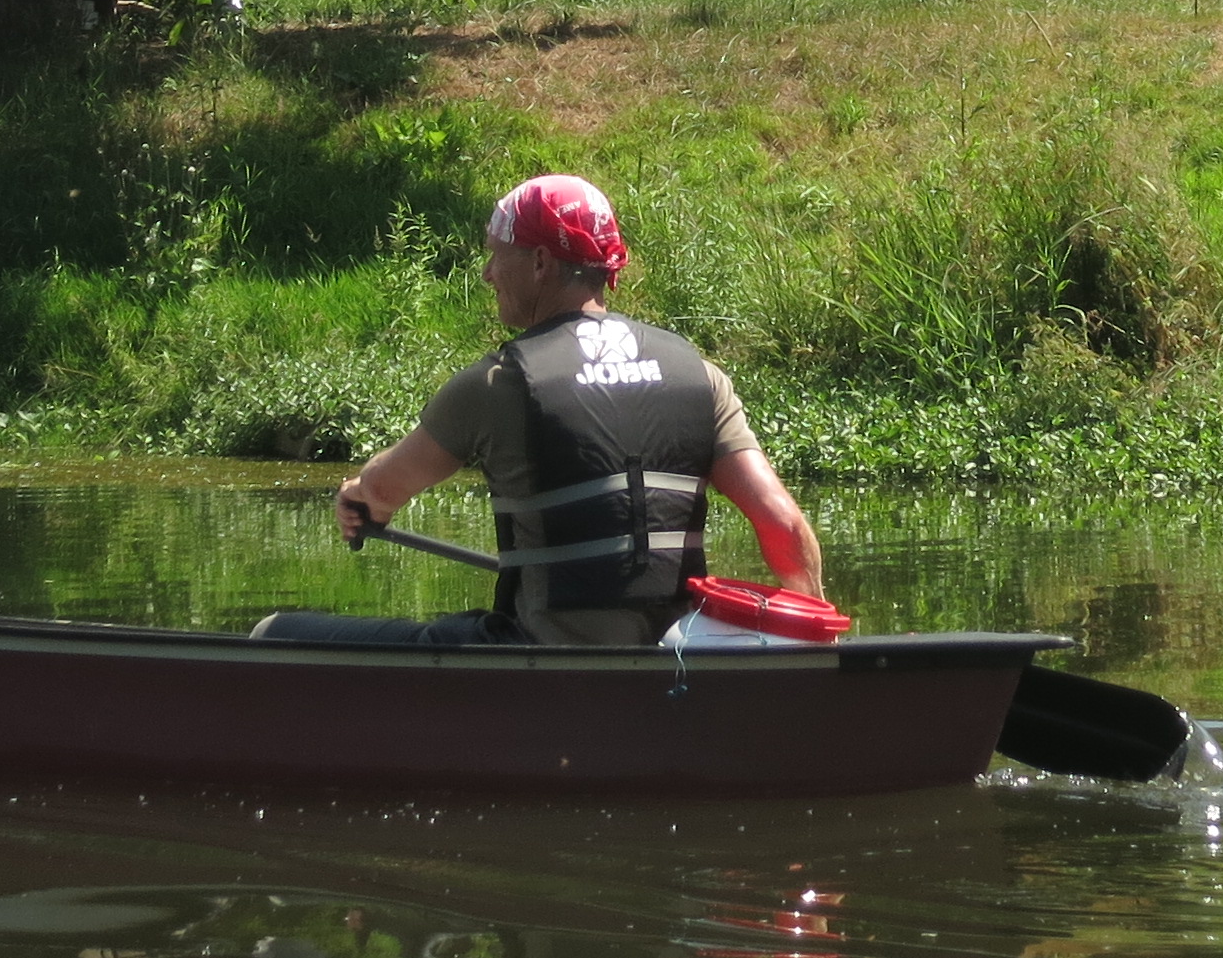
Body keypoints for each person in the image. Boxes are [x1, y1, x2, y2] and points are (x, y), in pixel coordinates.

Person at [256, 172, 825, 647]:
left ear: (539, 263)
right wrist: (813, 648)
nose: (487, 273)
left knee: (277, 632)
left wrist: (359, 496)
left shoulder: (499, 383)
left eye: (496, 254)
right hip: (673, 655)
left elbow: (383, 490)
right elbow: (782, 525)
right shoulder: (698, 374)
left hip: (545, 653)